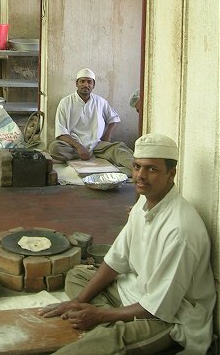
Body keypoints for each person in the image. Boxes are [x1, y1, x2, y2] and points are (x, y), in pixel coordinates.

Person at [40, 133, 216, 354]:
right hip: (134, 292)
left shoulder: (180, 230)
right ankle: (107, 321)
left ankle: (108, 328)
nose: (140, 176)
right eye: (136, 166)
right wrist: (77, 301)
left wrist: (99, 315)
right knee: (77, 276)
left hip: (170, 318)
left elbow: (159, 306)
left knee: (104, 342)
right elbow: (115, 260)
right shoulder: (144, 202)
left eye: (152, 169)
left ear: (171, 174)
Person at [48, 68, 134, 176]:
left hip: (97, 145)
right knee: (55, 147)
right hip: (73, 146)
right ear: (76, 84)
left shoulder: (100, 101)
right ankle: (86, 155)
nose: (86, 85)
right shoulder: (65, 102)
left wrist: (107, 136)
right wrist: (79, 147)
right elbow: (61, 132)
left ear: (93, 85)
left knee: (119, 148)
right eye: (82, 81)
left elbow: (114, 119)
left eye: (89, 82)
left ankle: (137, 169)